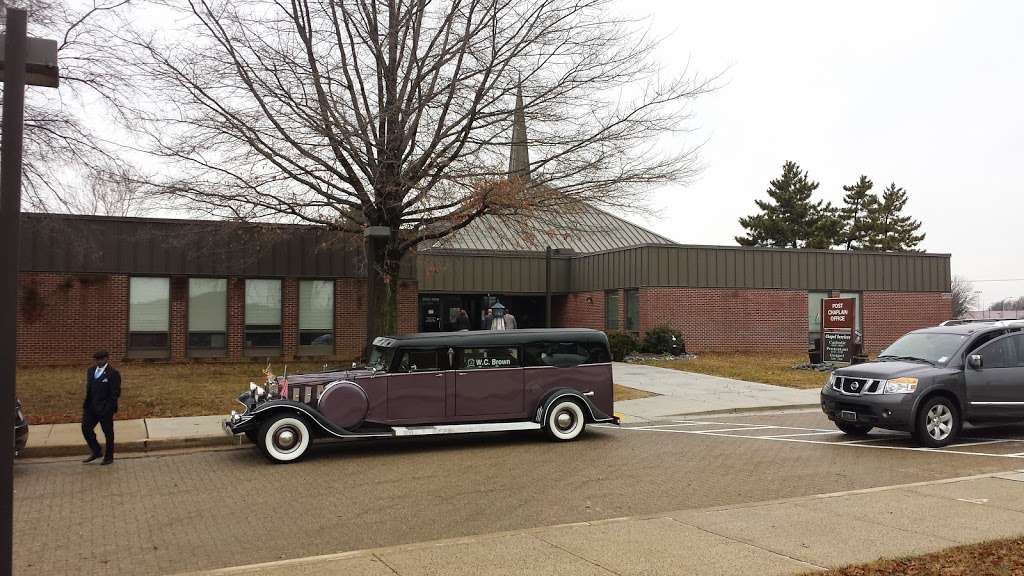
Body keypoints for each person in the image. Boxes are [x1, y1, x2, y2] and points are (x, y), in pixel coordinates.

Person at [82, 351, 121, 465]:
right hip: (91, 408)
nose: (99, 361)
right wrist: (87, 406)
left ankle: (109, 457)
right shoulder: (90, 371)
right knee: (86, 428)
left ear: (106, 359)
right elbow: (89, 389)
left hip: (105, 410)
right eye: (97, 359)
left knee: (108, 433)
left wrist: (108, 408)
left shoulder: (113, 373)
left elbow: (115, 393)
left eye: (101, 359)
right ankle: (96, 451)